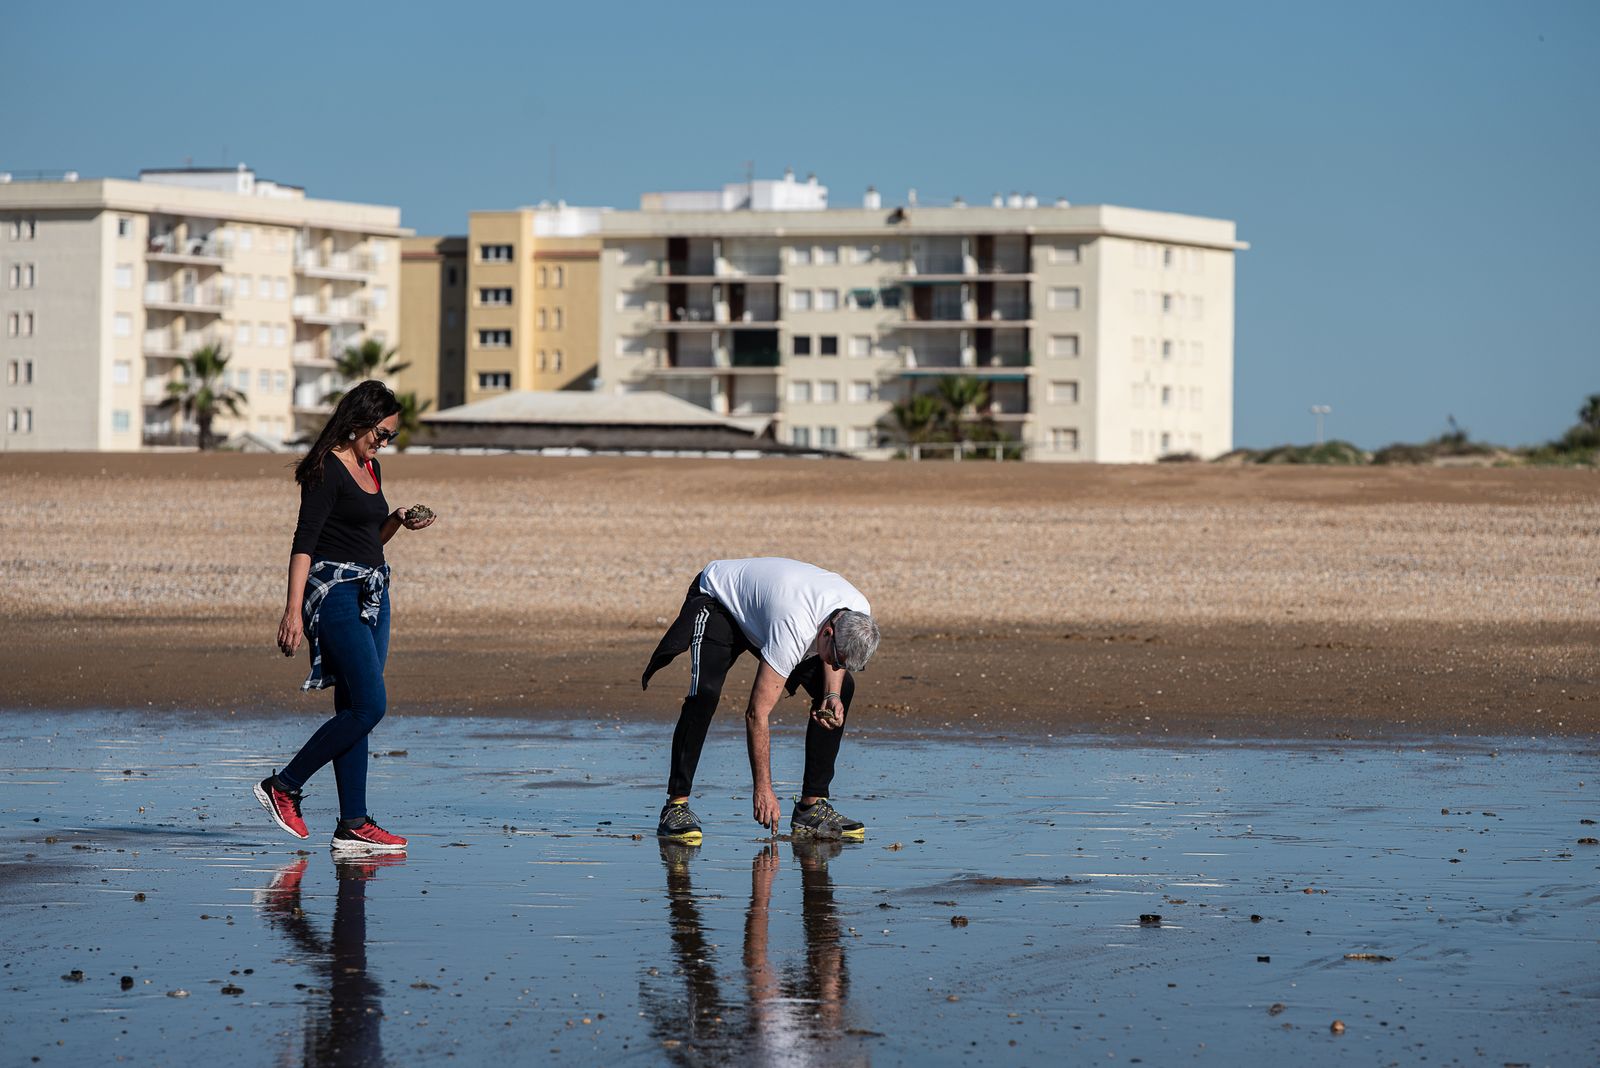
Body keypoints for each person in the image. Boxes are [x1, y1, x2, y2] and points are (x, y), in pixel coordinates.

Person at [253, 380, 436, 853]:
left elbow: (368, 539)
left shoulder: (371, 467)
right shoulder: (324, 471)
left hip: (374, 592)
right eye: (381, 431)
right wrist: (292, 610)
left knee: (355, 708)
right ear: (359, 420)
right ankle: (284, 785)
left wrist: (396, 518)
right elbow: (304, 543)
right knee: (371, 705)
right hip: (333, 594)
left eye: (391, 436)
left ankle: (353, 823)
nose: (384, 441)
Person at [642, 558, 881, 843]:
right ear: (827, 632)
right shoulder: (794, 626)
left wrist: (831, 695)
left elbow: (836, 663)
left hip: (767, 612)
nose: (834, 665)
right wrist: (763, 789)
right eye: (836, 659)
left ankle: (811, 808)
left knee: (844, 689)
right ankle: (675, 807)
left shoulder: (859, 612)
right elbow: (757, 713)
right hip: (720, 600)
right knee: (704, 693)